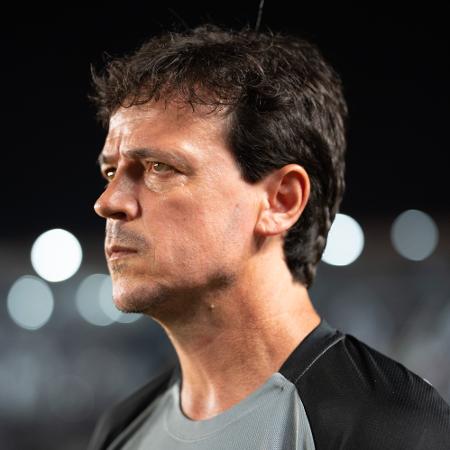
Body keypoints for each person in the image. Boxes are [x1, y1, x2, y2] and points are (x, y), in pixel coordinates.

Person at [87, 25, 450, 450]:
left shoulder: (388, 428)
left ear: (281, 201)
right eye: (110, 172)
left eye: (159, 168)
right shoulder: (120, 430)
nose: (108, 202)